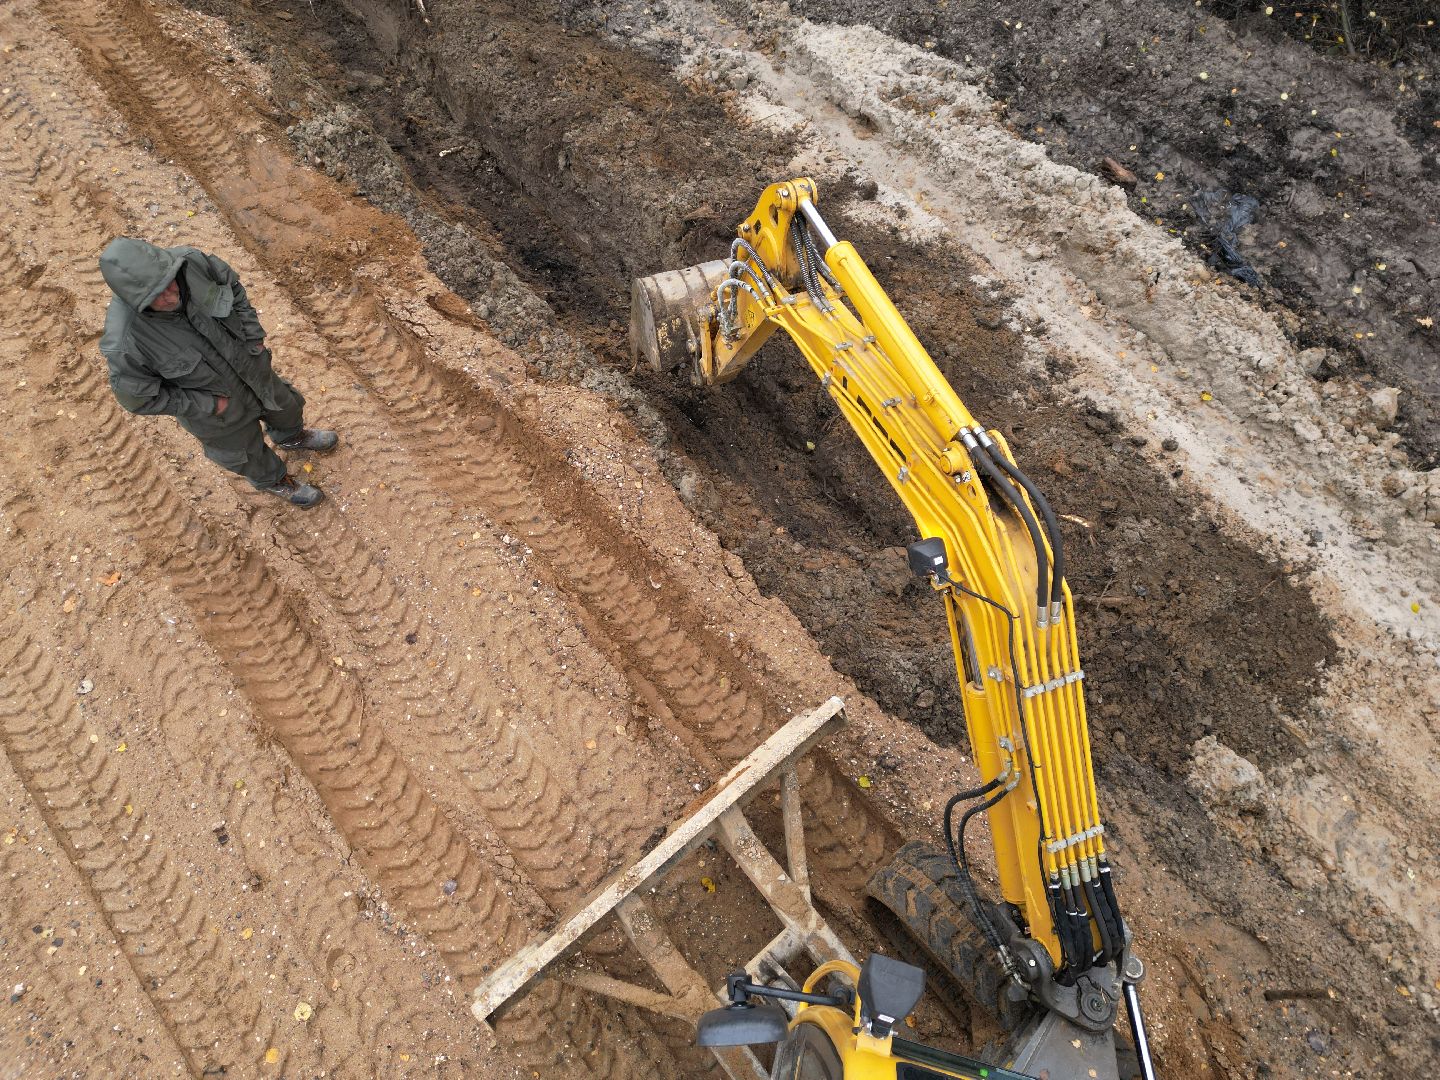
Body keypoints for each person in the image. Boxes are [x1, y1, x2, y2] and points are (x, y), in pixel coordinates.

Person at [98, 237, 337, 508]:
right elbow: (138, 398)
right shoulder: (124, 343)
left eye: (169, 284)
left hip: (254, 371)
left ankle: (291, 437)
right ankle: (277, 482)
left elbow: (232, 287)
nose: (169, 296)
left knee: (286, 407)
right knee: (246, 454)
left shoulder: (191, 262)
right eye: (155, 297)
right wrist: (208, 404)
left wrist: (253, 337)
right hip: (219, 413)